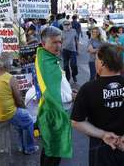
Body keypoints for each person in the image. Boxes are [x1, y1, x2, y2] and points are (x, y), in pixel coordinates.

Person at [71, 43, 124, 166]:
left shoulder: (88, 89)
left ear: (102, 62)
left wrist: (103, 135)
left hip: (101, 148)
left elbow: (76, 121)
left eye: (96, 59)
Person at [0, 53, 39, 154]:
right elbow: (19, 100)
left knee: (21, 121)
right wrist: (25, 108)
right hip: (7, 113)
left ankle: (21, 146)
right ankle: (29, 148)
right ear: (8, 65)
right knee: (29, 120)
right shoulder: (9, 78)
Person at [35, 26, 72, 165]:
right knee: (53, 155)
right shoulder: (47, 63)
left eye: (60, 42)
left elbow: (56, 85)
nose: (58, 46)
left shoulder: (47, 57)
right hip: (53, 115)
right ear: (44, 44)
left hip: (51, 113)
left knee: (49, 151)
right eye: (54, 42)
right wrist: (71, 97)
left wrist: (69, 92)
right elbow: (52, 95)